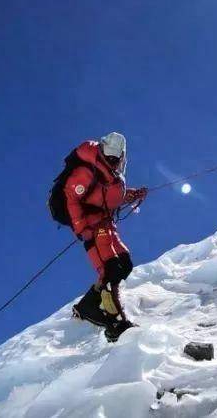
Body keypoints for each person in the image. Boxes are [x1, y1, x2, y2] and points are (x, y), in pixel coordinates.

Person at [64, 132, 147, 341]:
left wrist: (134, 195)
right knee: (111, 269)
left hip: (106, 225)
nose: (113, 162)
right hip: (93, 228)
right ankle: (116, 323)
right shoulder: (87, 171)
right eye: (110, 158)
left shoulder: (113, 177)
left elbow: (111, 199)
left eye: (115, 159)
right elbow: (71, 197)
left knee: (124, 264)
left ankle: (88, 306)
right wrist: (81, 228)